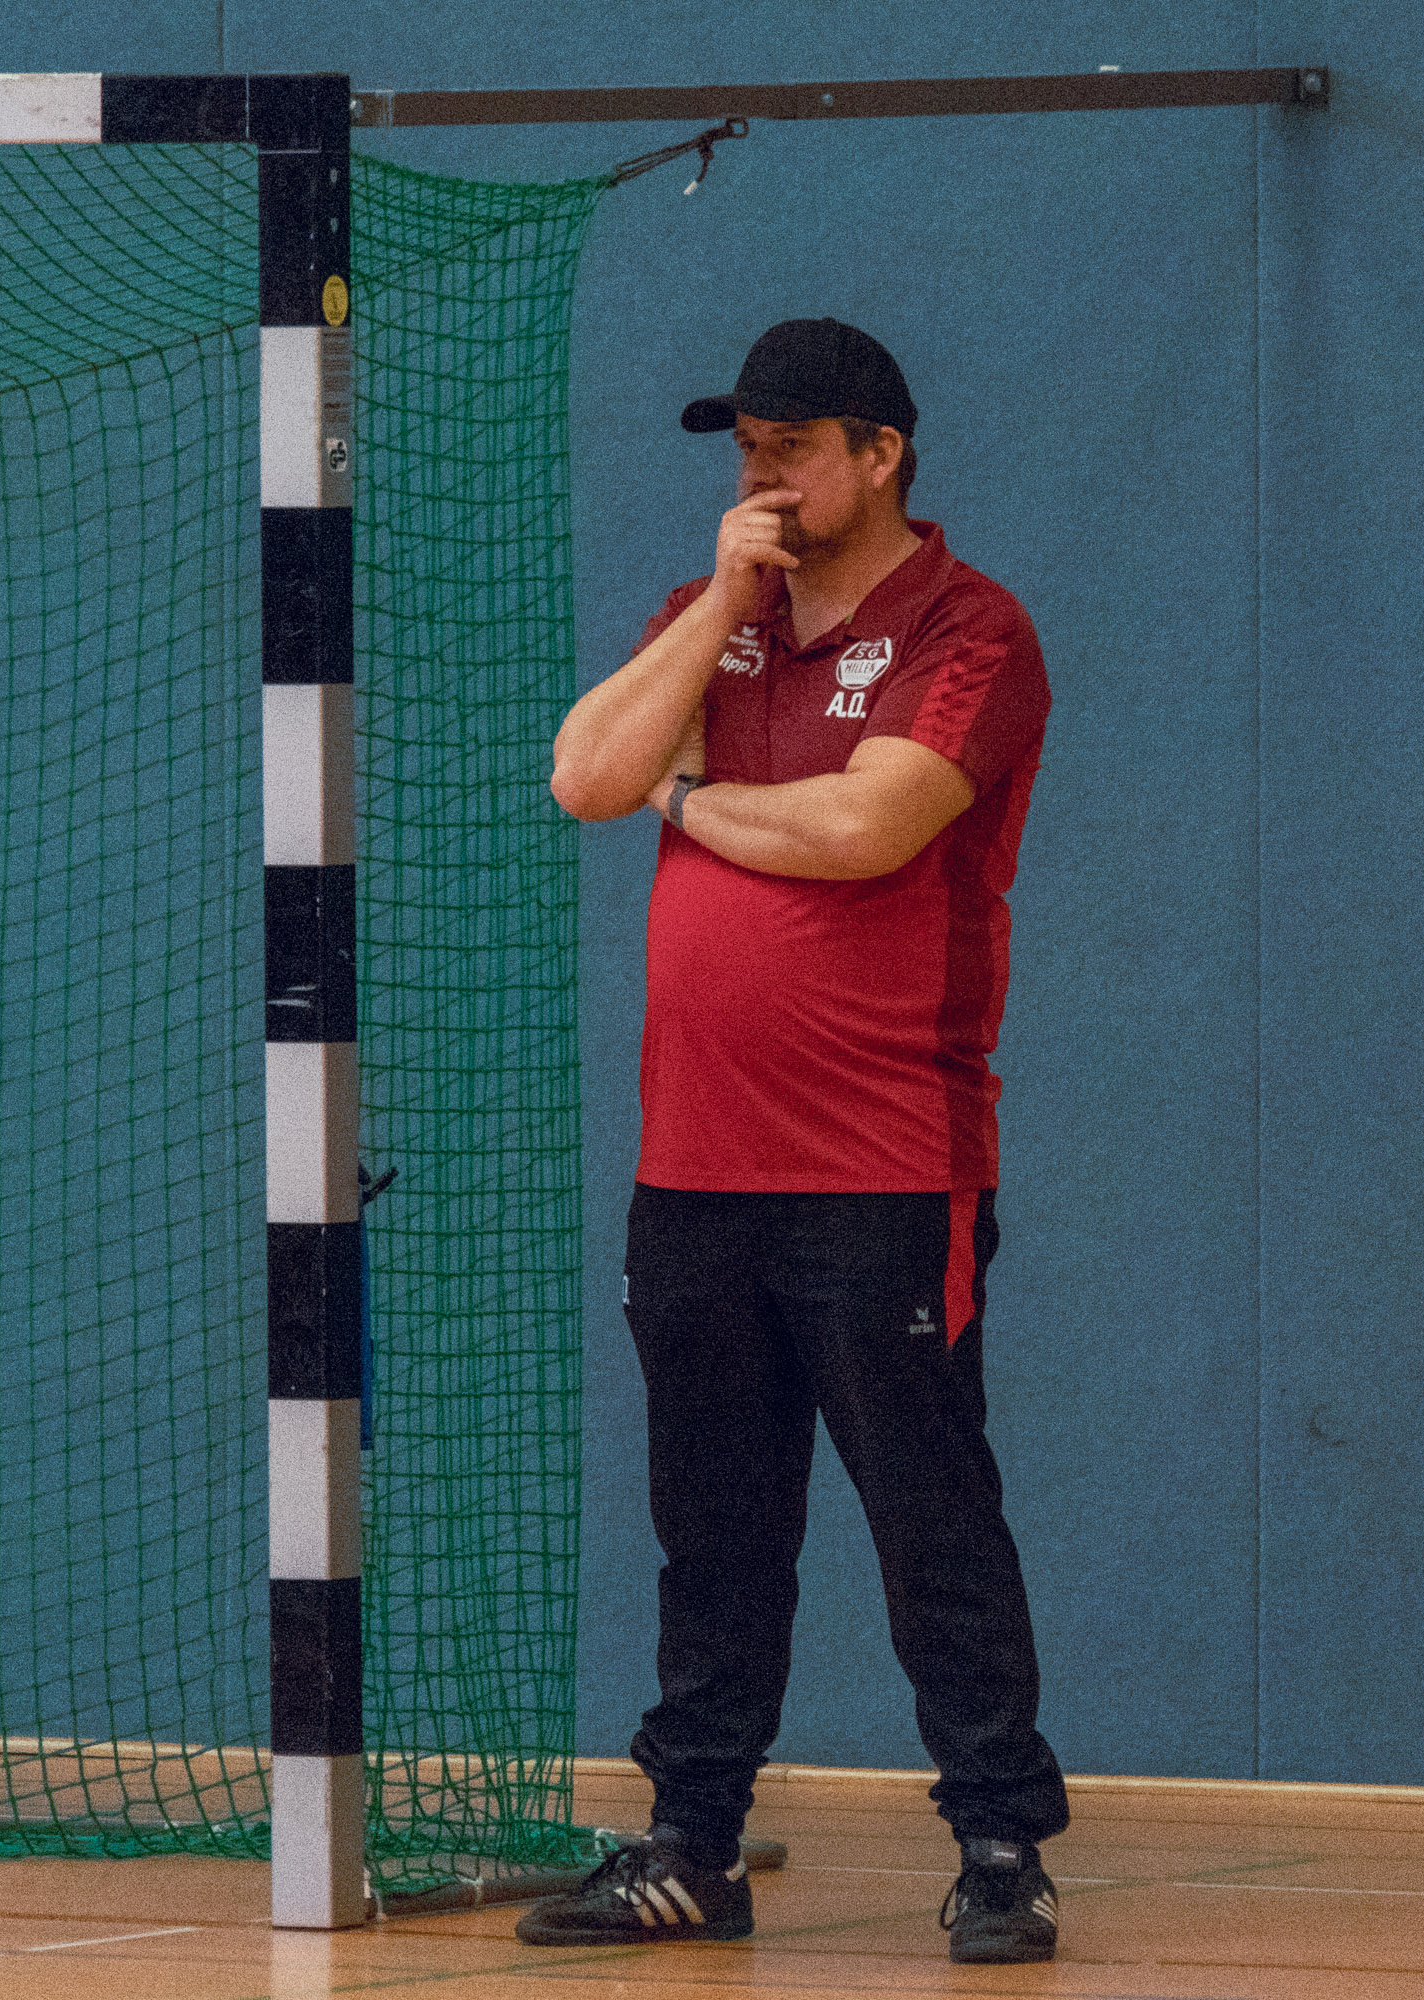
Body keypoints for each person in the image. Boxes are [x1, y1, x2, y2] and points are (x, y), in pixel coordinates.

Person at [516, 319, 1068, 1967]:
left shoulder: (970, 629)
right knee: (713, 1529)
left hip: (884, 1163)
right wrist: (718, 615)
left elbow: (864, 827)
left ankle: (999, 1846)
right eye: (746, 448)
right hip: (694, 1167)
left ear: (881, 455)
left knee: (930, 1518)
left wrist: (690, 804)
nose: (762, 475)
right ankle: (693, 1843)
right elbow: (586, 772)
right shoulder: (712, 620)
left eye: (793, 448)